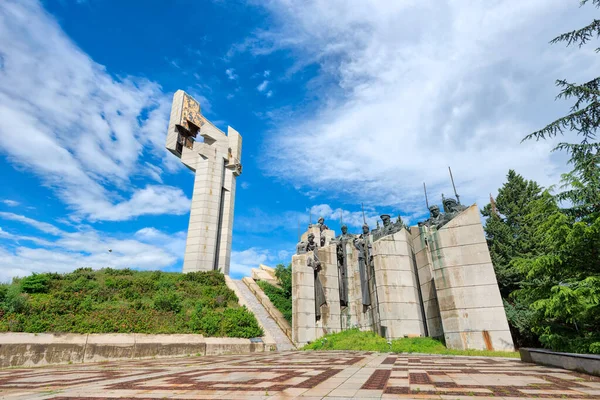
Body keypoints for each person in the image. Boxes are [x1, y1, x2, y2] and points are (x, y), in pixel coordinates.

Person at [353, 224, 372, 308]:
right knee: (363, 279)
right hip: (362, 258)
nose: (364, 229)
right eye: (363, 228)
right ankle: (365, 300)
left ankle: (367, 300)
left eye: (365, 228)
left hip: (367, 258)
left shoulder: (370, 236)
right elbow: (356, 244)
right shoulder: (360, 237)